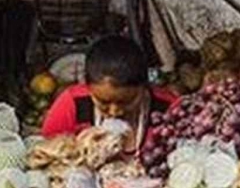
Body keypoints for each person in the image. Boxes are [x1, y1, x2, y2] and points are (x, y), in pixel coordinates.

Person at [40, 35, 178, 151]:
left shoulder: (169, 109)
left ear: (144, 87)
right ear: (87, 86)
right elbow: (45, 152)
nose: (114, 112)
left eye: (126, 102)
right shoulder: (73, 103)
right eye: (103, 102)